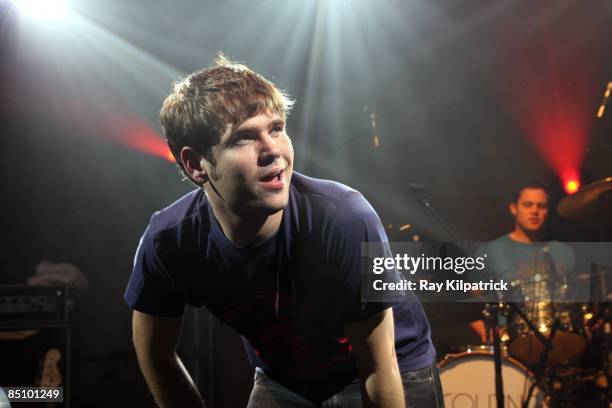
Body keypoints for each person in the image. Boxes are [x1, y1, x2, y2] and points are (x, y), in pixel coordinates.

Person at [123, 55, 442, 408]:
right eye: (244, 138)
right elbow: (156, 359)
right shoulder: (168, 239)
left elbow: (378, 370)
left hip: (389, 367)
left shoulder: (343, 217)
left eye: (276, 128)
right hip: (285, 379)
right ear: (196, 164)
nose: (273, 150)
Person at [469, 182, 575, 344]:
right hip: (512, 345)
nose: (534, 211)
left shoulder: (563, 252)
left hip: (560, 341)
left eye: (541, 206)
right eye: (528, 205)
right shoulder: (491, 251)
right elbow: (468, 303)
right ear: (513, 208)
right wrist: (486, 331)